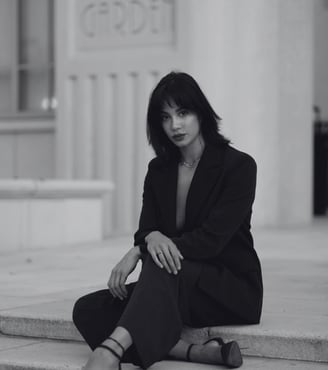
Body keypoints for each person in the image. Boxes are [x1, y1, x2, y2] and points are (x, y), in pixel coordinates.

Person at [72, 71, 263, 370]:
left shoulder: (238, 166)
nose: (175, 125)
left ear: (201, 112)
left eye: (183, 113)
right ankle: (192, 352)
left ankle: (110, 352)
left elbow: (210, 242)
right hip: (176, 283)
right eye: (165, 117)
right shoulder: (159, 169)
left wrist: (141, 249)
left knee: (162, 261)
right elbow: (147, 228)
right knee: (88, 310)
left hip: (227, 288)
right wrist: (147, 239)